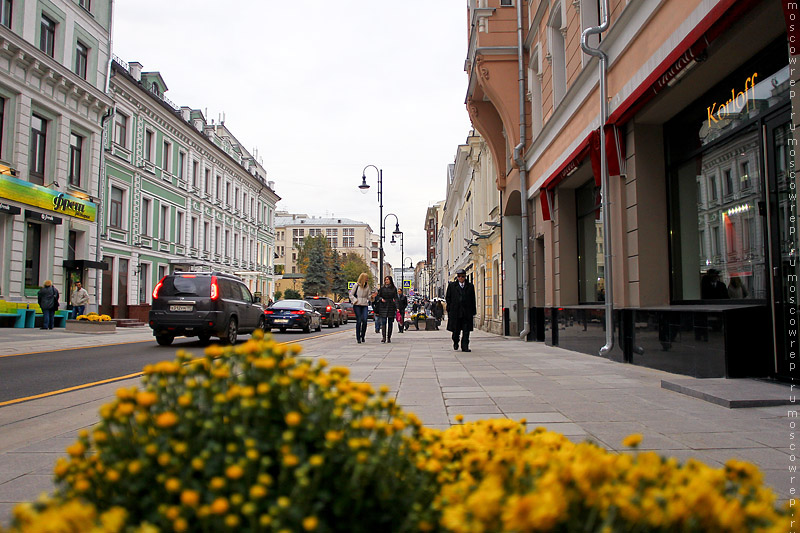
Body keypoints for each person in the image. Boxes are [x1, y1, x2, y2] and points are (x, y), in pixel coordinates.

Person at [445, 269, 476, 352]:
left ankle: (465, 346)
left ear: (465, 277)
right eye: (459, 276)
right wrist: (450, 308)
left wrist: (473, 311)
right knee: (456, 330)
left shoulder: (470, 286)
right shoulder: (452, 286)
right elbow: (448, 297)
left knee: (466, 331)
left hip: (466, 312)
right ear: (457, 277)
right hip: (456, 312)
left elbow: (473, 299)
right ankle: (455, 341)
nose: (461, 278)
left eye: (462, 276)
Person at [349, 273, 371, 344]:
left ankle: (363, 335)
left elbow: (368, 296)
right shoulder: (356, 285)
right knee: (359, 320)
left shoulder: (367, 286)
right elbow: (351, 294)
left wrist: (372, 297)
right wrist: (355, 301)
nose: (367, 279)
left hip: (364, 304)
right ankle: (358, 337)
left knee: (364, 320)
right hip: (357, 304)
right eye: (366, 278)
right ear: (363, 278)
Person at [376, 275, 398, 343]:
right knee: (384, 322)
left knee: (390, 322)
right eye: (385, 279)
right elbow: (378, 296)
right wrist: (381, 299)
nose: (386, 281)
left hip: (391, 306)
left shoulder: (394, 288)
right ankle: (384, 337)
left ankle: (389, 337)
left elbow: (396, 298)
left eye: (388, 279)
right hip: (383, 306)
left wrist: (397, 307)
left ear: (390, 280)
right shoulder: (382, 288)